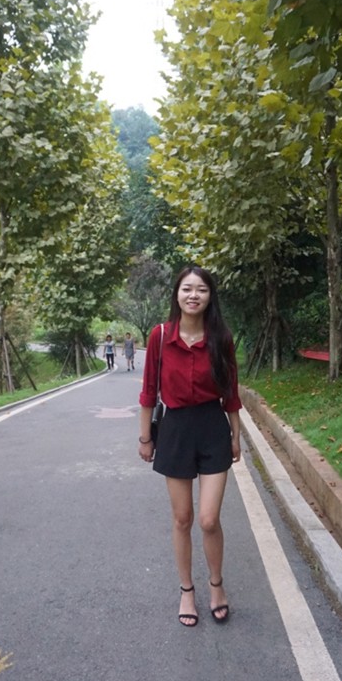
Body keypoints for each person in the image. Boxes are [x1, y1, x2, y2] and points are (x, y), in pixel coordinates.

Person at [138, 266, 241, 627]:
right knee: (182, 519)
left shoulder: (221, 337)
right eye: (187, 289)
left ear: (210, 296)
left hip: (212, 427)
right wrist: (146, 438)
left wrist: (235, 435)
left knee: (208, 519)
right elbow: (149, 390)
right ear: (177, 295)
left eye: (201, 290)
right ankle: (186, 591)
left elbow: (231, 392)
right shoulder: (160, 336)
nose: (193, 295)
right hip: (175, 430)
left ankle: (217, 586)